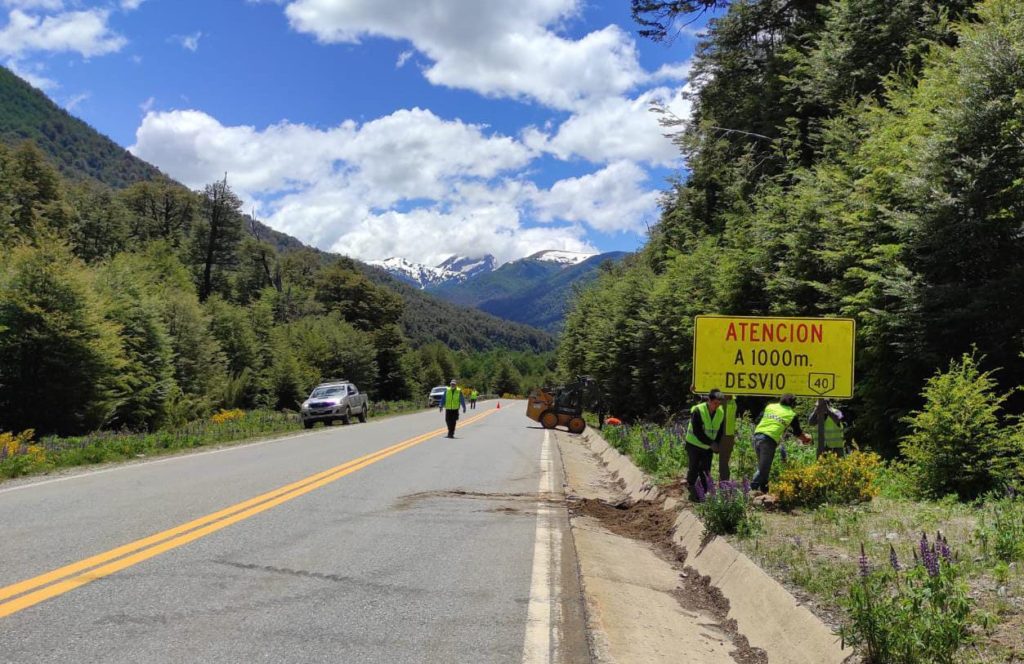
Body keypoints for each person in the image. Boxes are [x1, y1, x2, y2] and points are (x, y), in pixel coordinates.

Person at [750, 393, 812, 493]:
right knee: (763, 469)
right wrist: (806, 439)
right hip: (768, 440)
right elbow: (798, 433)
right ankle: (750, 490)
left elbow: (757, 420)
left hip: (757, 436)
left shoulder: (770, 406)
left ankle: (764, 491)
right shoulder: (791, 414)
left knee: (763, 467)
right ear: (793, 404)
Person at [684, 389, 726, 500]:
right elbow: (697, 431)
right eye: (715, 403)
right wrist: (711, 443)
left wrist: (717, 443)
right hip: (694, 444)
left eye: (719, 403)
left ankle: (704, 492)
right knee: (694, 467)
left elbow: (719, 431)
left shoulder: (721, 412)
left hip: (708, 447)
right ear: (709, 400)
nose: (717, 406)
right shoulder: (698, 410)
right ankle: (691, 487)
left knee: (705, 469)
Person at [718, 395, 738, 481]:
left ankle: (724, 485)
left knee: (723, 463)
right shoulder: (730, 401)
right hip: (720, 434)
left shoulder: (731, 401)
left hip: (727, 435)